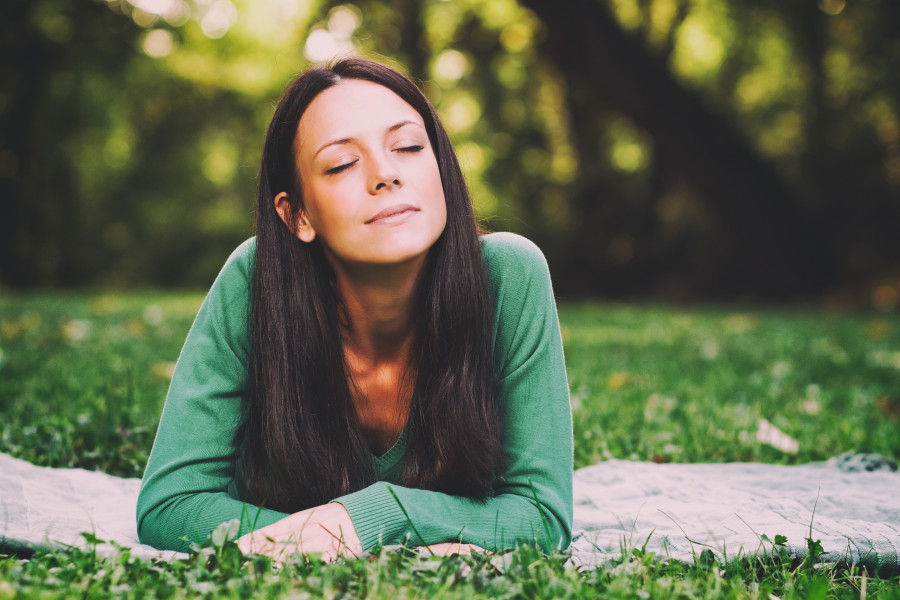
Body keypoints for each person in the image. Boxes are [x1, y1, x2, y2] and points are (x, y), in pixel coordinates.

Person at [136, 57, 573, 562]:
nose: (386, 174)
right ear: (297, 214)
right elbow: (169, 506)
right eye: (342, 163)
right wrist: (331, 539)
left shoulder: (510, 276)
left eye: (409, 147)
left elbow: (542, 517)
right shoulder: (254, 283)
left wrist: (372, 517)